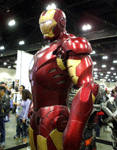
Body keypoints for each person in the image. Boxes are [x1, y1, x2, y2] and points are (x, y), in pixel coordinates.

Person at [28, 8, 99, 150]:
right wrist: (32, 105)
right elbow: (37, 85)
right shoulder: (42, 52)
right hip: (36, 115)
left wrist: (74, 129)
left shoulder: (71, 46)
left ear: (61, 22)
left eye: (47, 22)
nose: (43, 27)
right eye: (40, 23)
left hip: (55, 116)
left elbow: (87, 87)